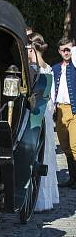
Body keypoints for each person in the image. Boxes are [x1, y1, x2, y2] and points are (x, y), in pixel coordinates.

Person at [27, 32, 59, 211]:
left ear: (32, 49)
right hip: (42, 110)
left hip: (40, 112)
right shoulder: (42, 67)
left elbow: (50, 99)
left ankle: (42, 197)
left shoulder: (42, 69)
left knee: (43, 153)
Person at [52, 36, 76, 188]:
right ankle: (72, 178)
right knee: (65, 146)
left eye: (69, 49)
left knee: (75, 146)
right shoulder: (55, 68)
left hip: (74, 110)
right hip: (60, 110)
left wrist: (74, 50)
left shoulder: (75, 66)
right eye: (63, 50)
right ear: (59, 51)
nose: (66, 52)